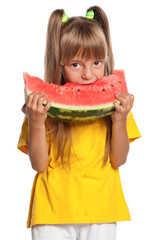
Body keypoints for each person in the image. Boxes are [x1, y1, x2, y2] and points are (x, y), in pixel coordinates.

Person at [18, 6, 141, 240]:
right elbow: (39, 165)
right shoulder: (41, 107)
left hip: (101, 208)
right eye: (76, 64)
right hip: (52, 210)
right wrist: (36, 122)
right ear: (59, 64)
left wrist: (119, 120)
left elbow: (119, 159)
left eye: (97, 62)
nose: (88, 74)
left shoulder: (116, 107)